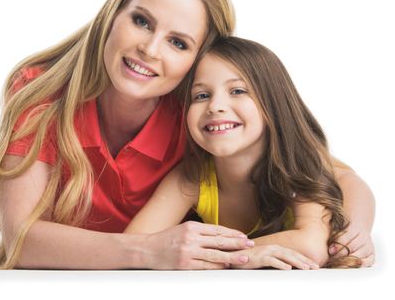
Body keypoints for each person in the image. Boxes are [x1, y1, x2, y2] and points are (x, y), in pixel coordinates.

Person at [0, 0, 374, 270]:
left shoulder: (196, 112)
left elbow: (329, 172)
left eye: (178, 42)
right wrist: (150, 251)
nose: (148, 48)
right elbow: (20, 240)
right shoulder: (41, 90)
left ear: (196, 63)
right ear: (113, 15)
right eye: (142, 20)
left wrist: (352, 231)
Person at [125, 36, 373, 269]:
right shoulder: (191, 177)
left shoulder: (297, 166)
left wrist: (356, 226)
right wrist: (244, 257)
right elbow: (134, 246)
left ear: (272, 104)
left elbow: (312, 245)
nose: (216, 106)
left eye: (238, 91)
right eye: (201, 95)